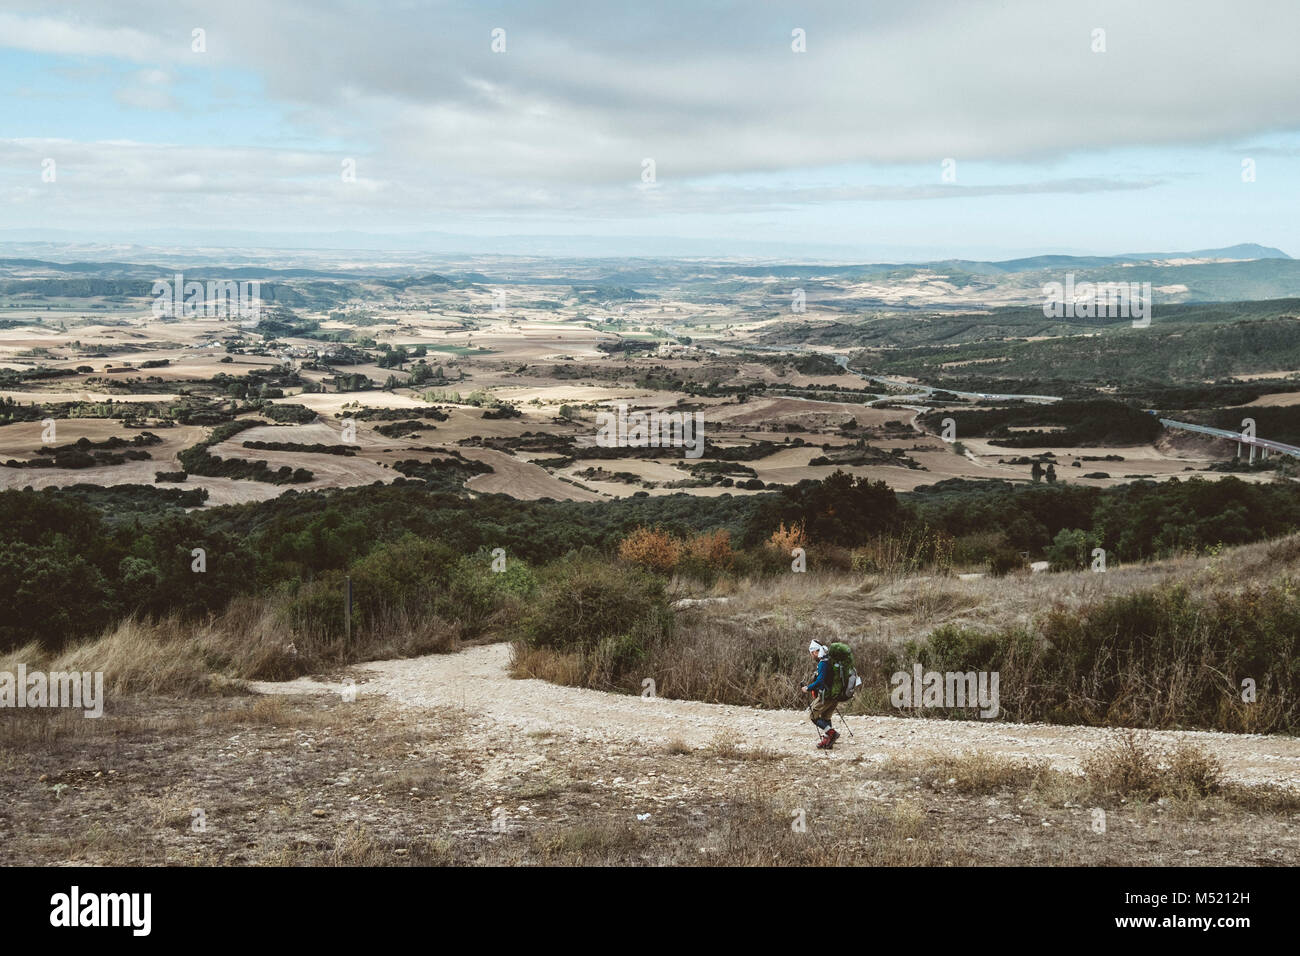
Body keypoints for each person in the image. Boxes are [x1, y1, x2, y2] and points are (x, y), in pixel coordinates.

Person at [801, 640, 840, 750]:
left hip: (826, 695)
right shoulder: (831, 660)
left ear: (815, 652)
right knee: (826, 717)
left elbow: (820, 681)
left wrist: (807, 688)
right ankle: (828, 741)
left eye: (812, 653)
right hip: (835, 694)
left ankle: (832, 733)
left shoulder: (823, 663)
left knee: (813, 716)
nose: (812, 656)